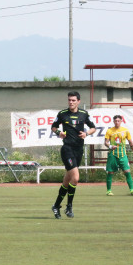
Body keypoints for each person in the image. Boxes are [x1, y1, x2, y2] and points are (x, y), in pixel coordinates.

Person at [50, 91, 96, 219]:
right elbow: (53, 127)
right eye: (69, 100)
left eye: (73, 100)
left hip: (78, 149)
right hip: (67, 149)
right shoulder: (62, 114)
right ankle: (69, 206)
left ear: (78, 101)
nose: (71, 102)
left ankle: (56, 205)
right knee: (75, 178)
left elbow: (93, 128)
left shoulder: (84, 114)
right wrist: (59, 132)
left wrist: (86, 133)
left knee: (67, 181)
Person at [104, 114, 133, 196]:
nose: (117, 122)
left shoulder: (125, 131)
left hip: (122, 155)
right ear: (113, 121)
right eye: (115, 121)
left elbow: (131, 142)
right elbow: (106, 142)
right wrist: (110, 146)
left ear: (121, 121)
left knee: (127, 172)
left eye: (118, 121)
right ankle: (108, 191)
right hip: (113, 154)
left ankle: (132, 190)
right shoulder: (109, 131)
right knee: (110, 172)